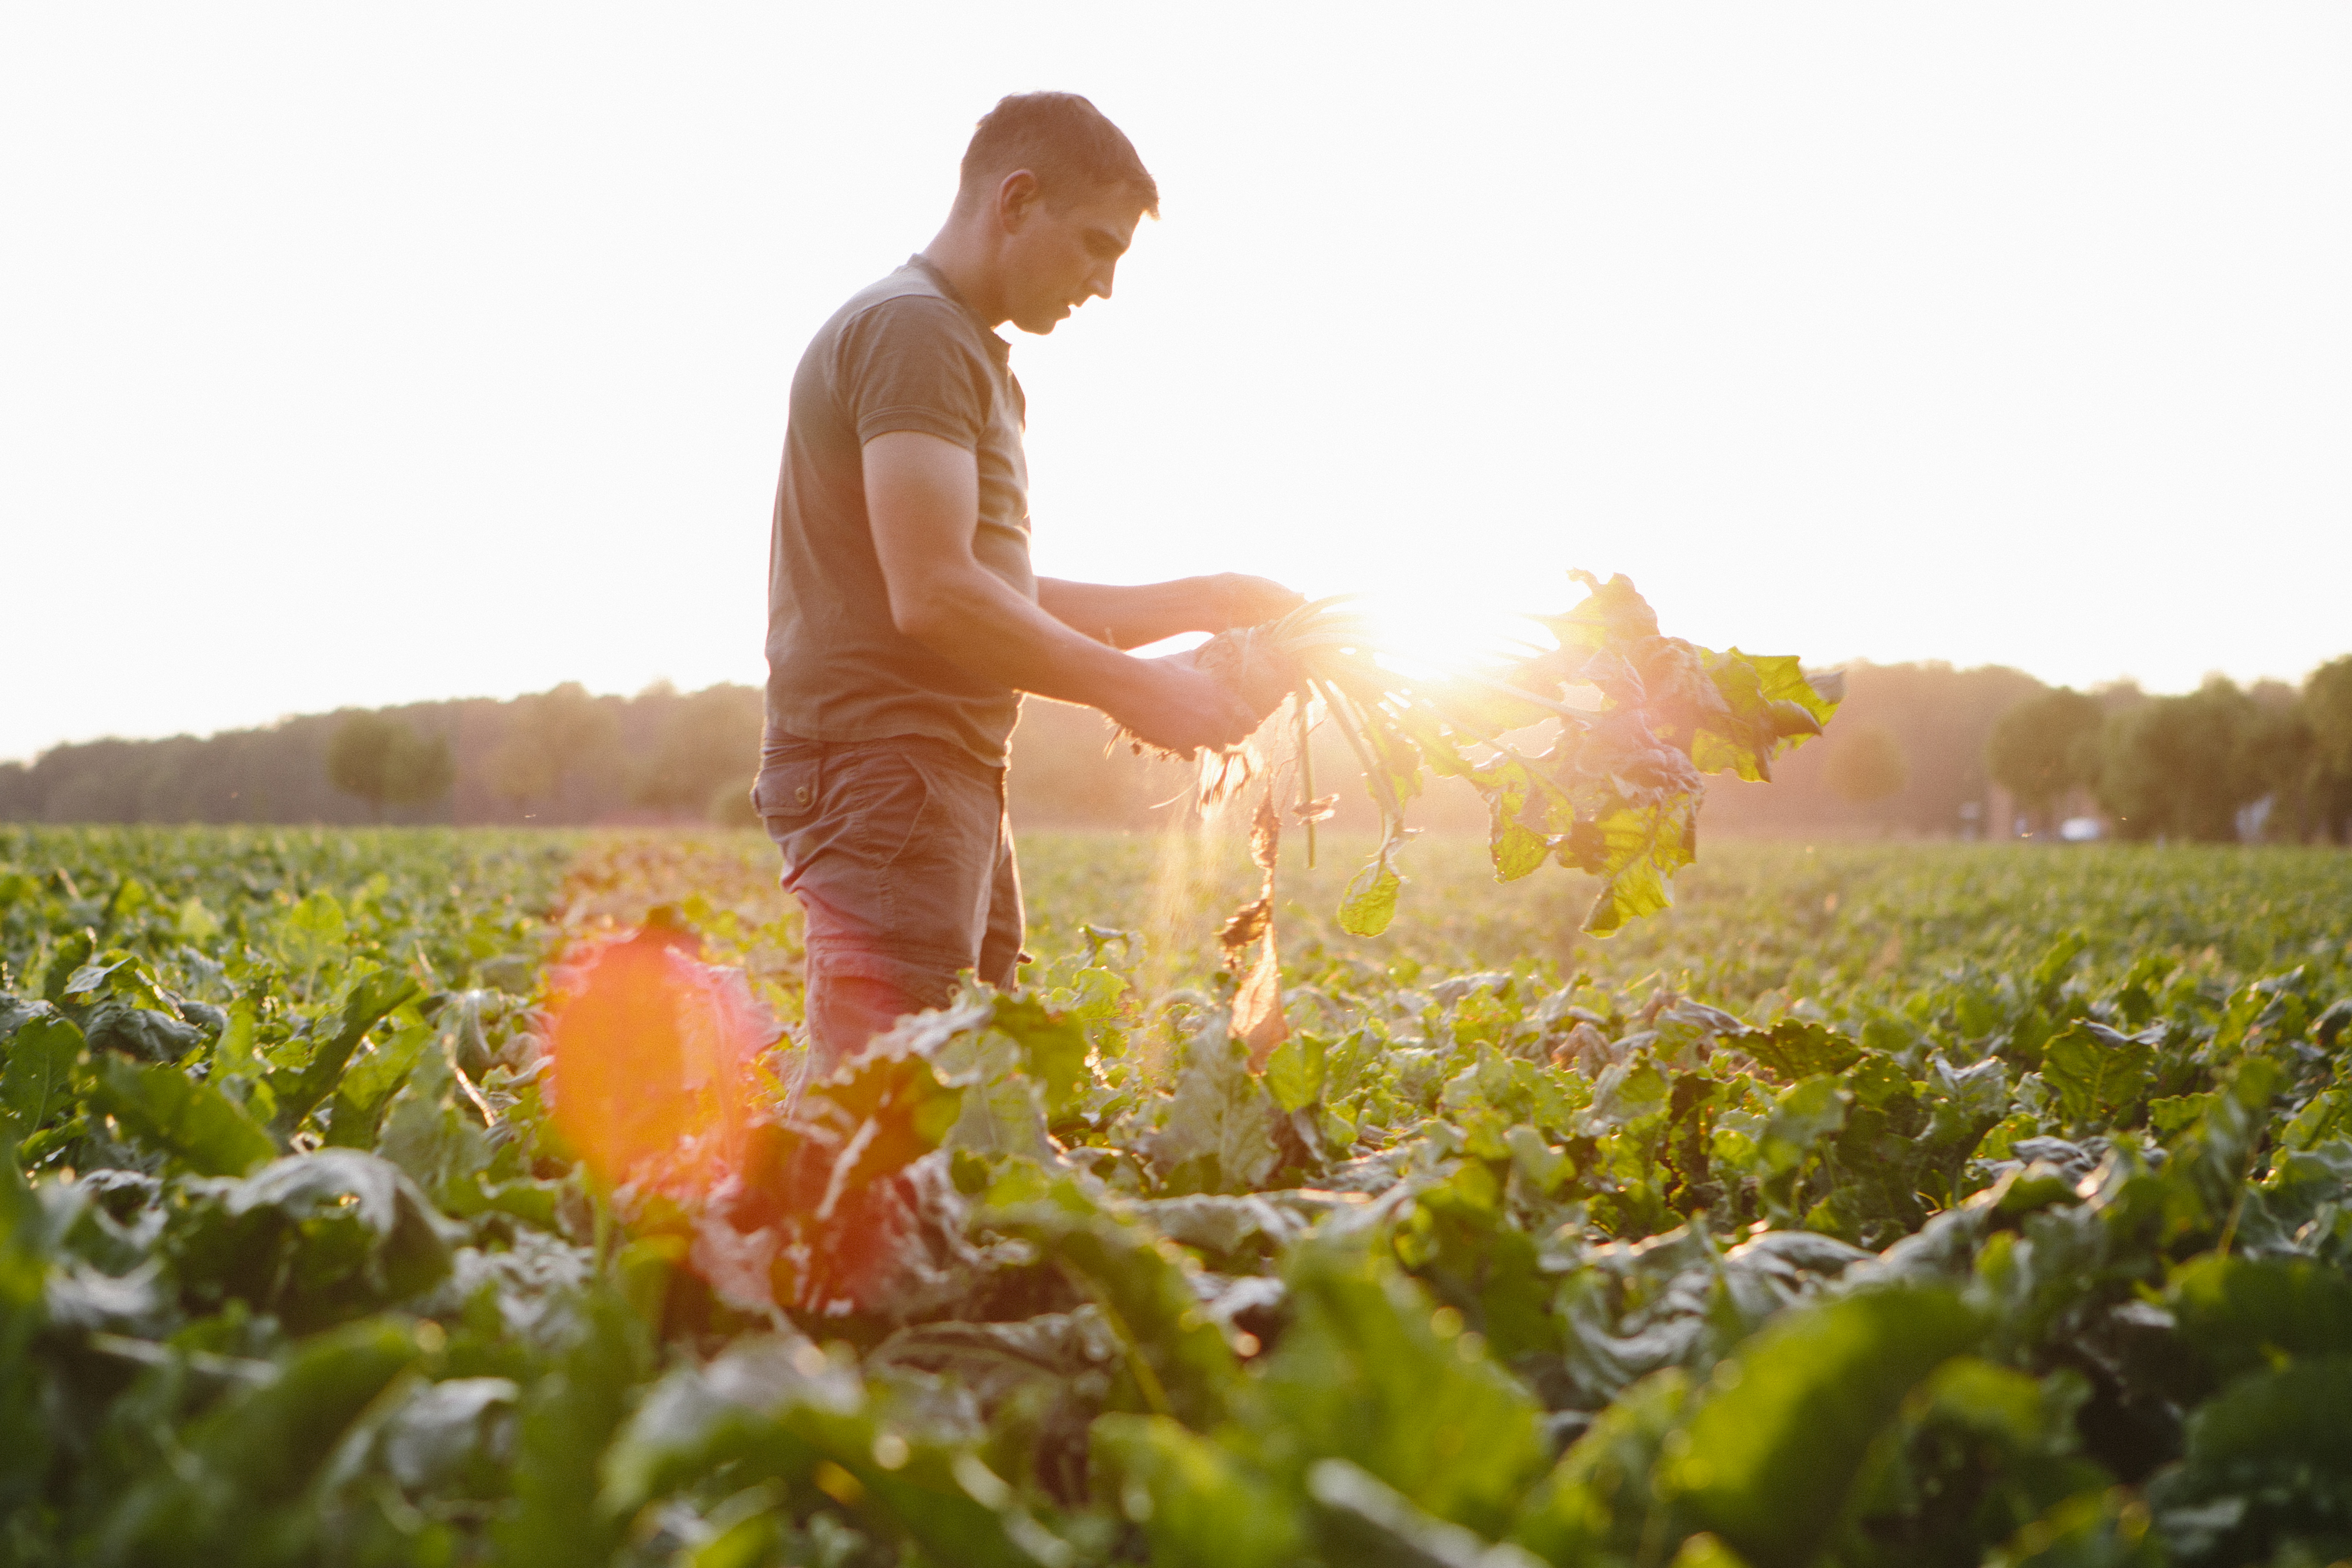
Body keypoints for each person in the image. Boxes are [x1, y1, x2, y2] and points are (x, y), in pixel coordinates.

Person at [756, 92, 1300, 1069]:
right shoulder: (913, 333)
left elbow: (983, 585)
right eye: (1096, 246)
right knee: (882, 1123)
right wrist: (1145, 691)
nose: (1101, 286)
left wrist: (1201, 600)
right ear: (1015, 201)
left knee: (958, 1107)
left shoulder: (961, 349)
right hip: (891, 767)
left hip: (936, 770)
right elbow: (936, 598)